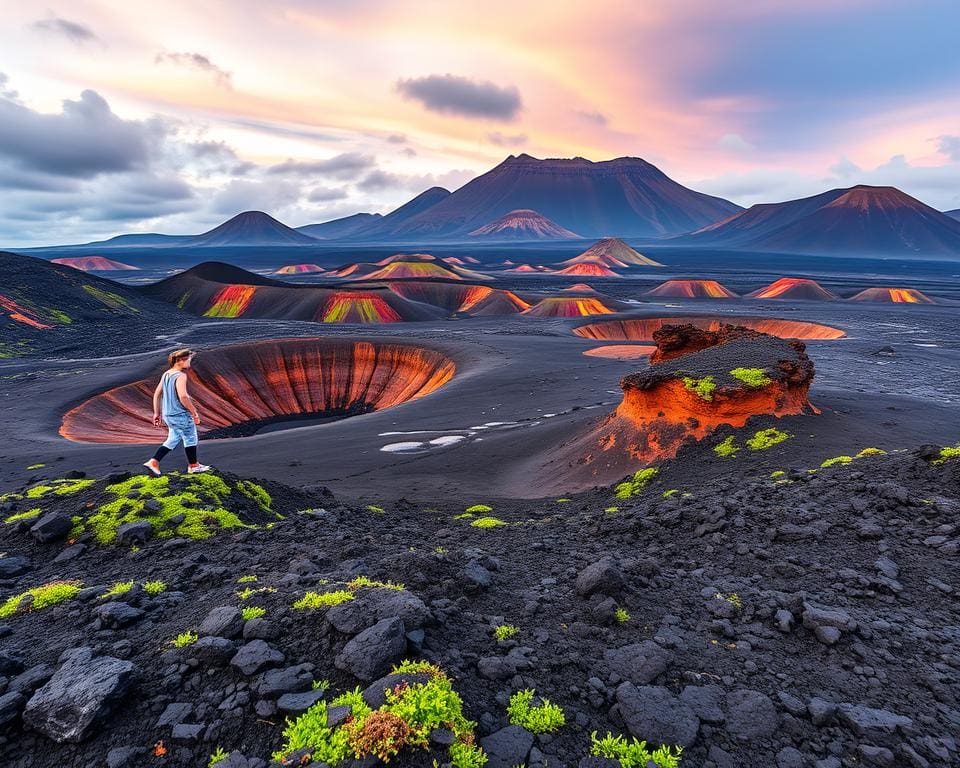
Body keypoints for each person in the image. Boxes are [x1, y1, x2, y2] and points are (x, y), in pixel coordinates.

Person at [143, 348, 212, 475]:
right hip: (180, 414)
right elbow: (183, 396)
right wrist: (194, 412)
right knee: (190, 437)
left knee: (173, 438)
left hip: (168, 415)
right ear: (180, 360)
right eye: (189, 360)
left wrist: (157, 413)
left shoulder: (167, 374)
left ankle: (154, 462)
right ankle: (193, 466)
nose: (190, 362)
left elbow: (157, 394)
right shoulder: (180, 375)